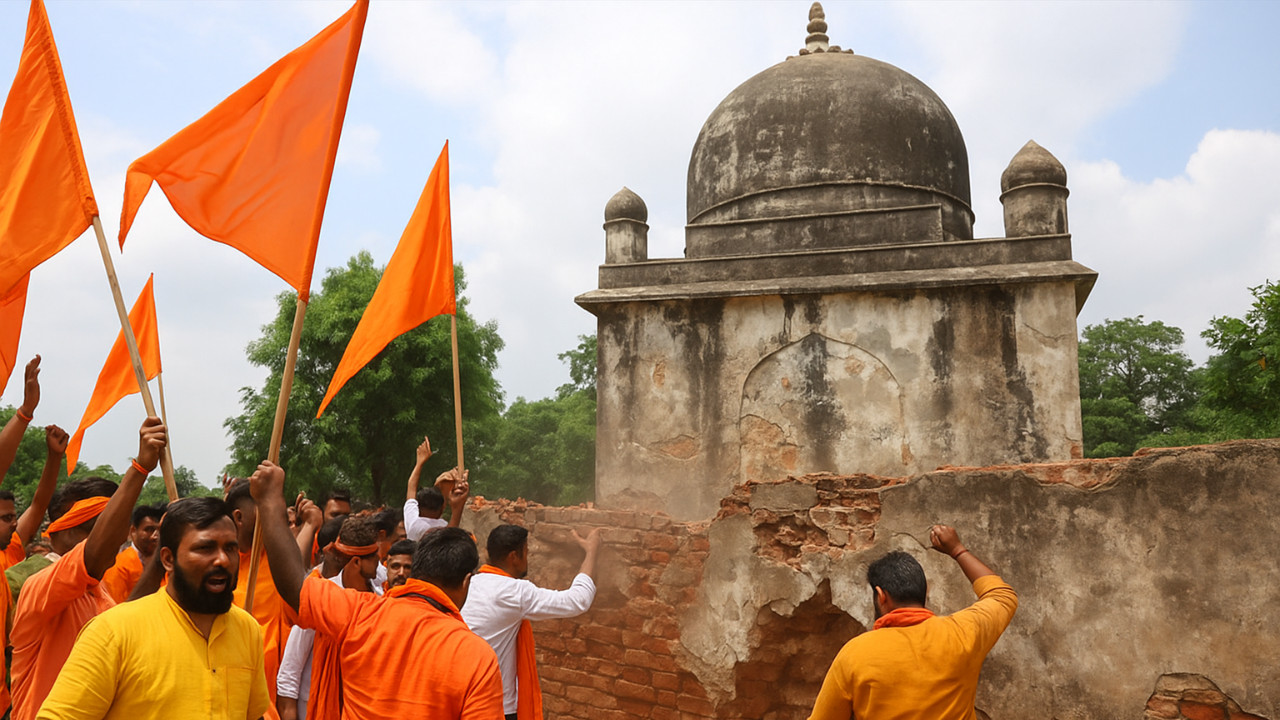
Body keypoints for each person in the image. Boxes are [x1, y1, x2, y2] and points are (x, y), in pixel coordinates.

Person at [250, 459, 503, 718]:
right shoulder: (477, 657)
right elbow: (289, 674)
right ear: (466, 581)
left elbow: (294, 586)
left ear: (416, 569)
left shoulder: (362, 613)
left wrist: (270, 501)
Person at [36, 495, 270, 719]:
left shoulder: (247, 629)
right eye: (205, 548)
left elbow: (252, 714)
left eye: (230, 548)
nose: (223, 560)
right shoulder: (113, 631)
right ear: (168, 559)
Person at [10, 417, 166, 720]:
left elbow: (126, 618)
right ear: (63, 530)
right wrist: (140, 469)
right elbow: (94, 555)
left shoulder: (99, 592)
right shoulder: (39, 584)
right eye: (101, 528)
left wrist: (164, 555)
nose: (118, 538)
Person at [806, 524, 1019, 720]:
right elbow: (1002, 595)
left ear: (881, 596)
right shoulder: (962, 633)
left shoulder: (854, 655)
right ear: (925, 593)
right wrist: (957, 550)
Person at [463, 523, 602, 720]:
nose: (528, 559)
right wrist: (591, 552)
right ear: (514, 557)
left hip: (466, 700)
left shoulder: (469, 584)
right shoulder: (513, 591)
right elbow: (577, 600)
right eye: (526, 552)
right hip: (496, 707)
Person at [0, 358, 68, 716]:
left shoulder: (11, 549)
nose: (15, 524)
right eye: (5, 518)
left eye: (14, 517)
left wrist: (54, 458)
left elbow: (40, 504)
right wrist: (25, 412)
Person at [225, 478, 321, 720]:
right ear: (239, 517)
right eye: (263, 508)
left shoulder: (276, 558)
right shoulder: (222, 566)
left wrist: (309, 526)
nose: (272, 516)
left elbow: (296, 578)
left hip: (281, 690)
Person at [403, 437, 470, 541]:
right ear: (442, 508)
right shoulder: (444, 527)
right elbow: (448, 540)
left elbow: (411, 487)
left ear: (418, 507)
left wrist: (419, 463)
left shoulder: (413, 523)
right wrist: (458, 508)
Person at [100, 504, 164, 603]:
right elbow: (115, 606)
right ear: (133, 531)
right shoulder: (119, 565)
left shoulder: (166, 563)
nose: (155, 536)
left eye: (159, 530)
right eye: (149, 530)